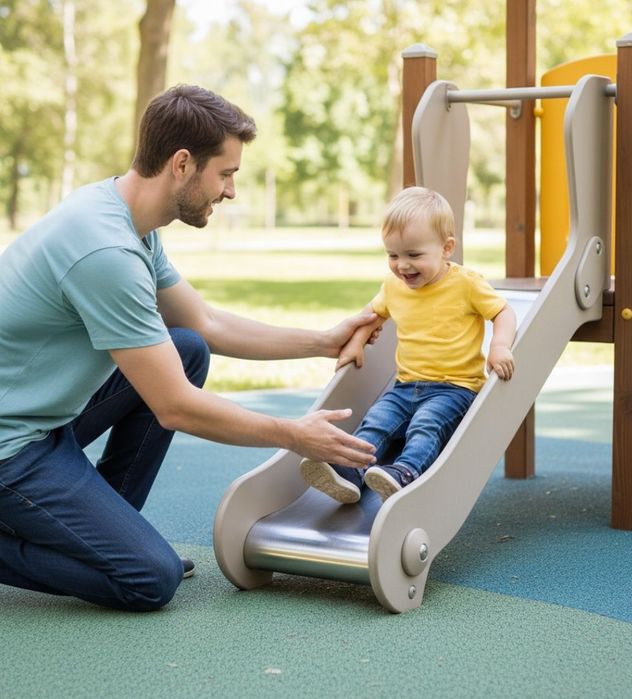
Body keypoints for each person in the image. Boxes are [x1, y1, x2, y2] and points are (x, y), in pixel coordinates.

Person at [0, 85, 379, 612]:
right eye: (225, 174)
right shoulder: (105, 251)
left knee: (187, 347)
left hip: (39, 417)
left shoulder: (126, 217)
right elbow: (173, 406)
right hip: (11, 447)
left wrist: (320, 341)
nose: (230, 192)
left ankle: (104, 527)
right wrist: (295, 435)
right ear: (182, 163)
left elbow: (204, 321)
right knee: (148, 578)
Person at [300, 186, 516, 503]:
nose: (403, 265)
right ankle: (351, 472)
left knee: (426, 426)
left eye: (414, 255)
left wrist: (499, 346)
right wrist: (356, 343)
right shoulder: (394, 286)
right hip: (404, 386)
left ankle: (406, 472)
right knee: (376, 421)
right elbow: (372, 315)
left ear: (446, 248)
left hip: (455, 388)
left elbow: (502, 312)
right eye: (393, 255)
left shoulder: (466, 283)